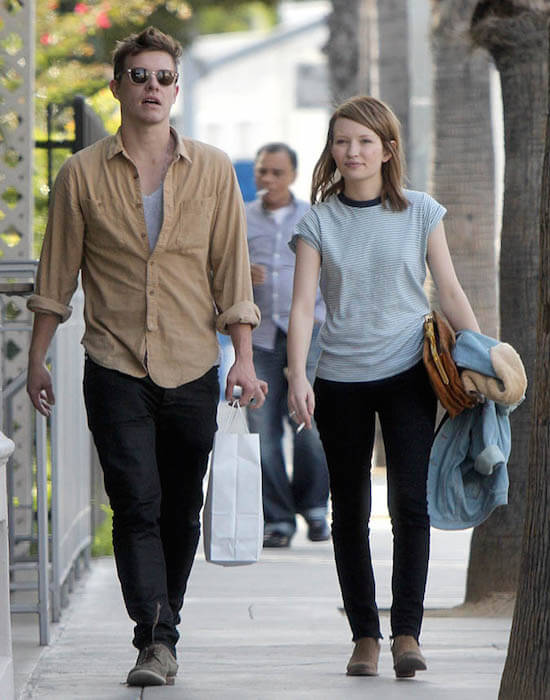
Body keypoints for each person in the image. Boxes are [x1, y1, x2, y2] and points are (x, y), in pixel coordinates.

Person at [26, 26, 266, 688]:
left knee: (179, 508)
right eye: (139, 77)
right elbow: (56, 276)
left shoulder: (213, 169)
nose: (152, 88)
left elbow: (232, 276)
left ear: (176, 88)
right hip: (114, 363)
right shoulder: (81, 174)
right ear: (117, 87)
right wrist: (37, 358)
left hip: (193, 362)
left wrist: (243, 360)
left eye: (163, 78)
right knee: (134, 502)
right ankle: (153, 641)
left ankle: (165, 623)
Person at [286, 95, 480, 679]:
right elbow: (301, 309)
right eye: (342, 141)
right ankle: (364, 636)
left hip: (409, 375)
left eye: (365, 141)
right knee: (348, 508)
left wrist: (480, 353)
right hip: (339, 377)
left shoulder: (422, 211)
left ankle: (407, 634)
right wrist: (298, 373)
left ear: (387, 149)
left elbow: (447, 291)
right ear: (332, 149)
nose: (352, 151)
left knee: (409, 504)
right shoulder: (317, 220)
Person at [246, 143, 329, 548]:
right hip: (260, 337)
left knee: (309, 425)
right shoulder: (242, 217)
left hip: (311, 335)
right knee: (262, 430)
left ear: (293, 175)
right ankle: (277, 519)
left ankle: (315, 509)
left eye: (277, 172)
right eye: (263, 171)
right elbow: (218, 272)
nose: (268, 179)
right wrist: (244, 275)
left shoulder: (313, 217)